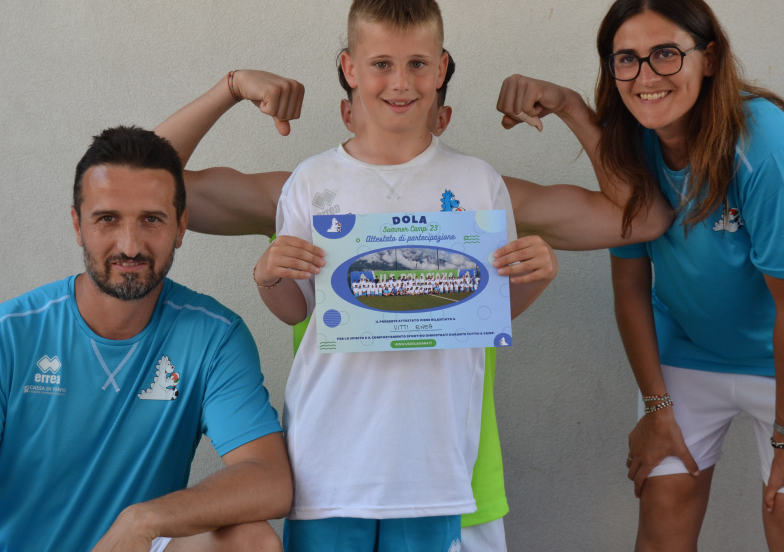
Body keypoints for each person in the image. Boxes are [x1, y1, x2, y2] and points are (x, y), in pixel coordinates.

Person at [155, 38, 671, 552]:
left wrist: (570, 106)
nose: (396, 105)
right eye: (377, 88)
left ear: (441, 118)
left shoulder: (481, 195)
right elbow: (144, 180)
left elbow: (643, 218)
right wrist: (230, 88)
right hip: (336, 481)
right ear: (347, 111)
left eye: (414, 89)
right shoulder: (305, 193)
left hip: (456, 482)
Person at [498, 0, 784, 552]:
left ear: (709, 58)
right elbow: (630, 285)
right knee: (663, 507)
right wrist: (656, 406)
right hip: (692, 350)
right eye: (627, 59)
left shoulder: (770, 154)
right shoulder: (633, 140)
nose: (646, 76)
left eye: (666, 53)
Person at [252, 0, 563, 552]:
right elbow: (294, 309)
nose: (400, 82)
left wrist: (536, 277)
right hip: (327, 463)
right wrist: (268, 276)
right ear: (349, 69)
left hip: (434, 466)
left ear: (441, 69)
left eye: (417, 64)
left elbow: (486, 311)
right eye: (381, 64)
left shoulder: (477, 182)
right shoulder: (311, 182)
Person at [0, 126, 292, 552]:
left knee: (251, 542)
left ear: (181, 226)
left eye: (151, 219)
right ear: (78, 225)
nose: (129, 246)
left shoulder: (214, 336)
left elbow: (269, 479)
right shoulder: (4, 334)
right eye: (107, 219)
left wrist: (144, 519)